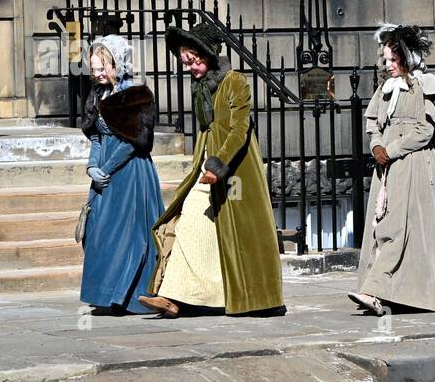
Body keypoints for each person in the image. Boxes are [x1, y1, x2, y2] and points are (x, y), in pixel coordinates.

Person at [141, 21, 284, 318]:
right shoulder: (202, 87)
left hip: (237, 171)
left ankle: (250, 296)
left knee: (238, 233)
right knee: (191, 219)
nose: (190, 67)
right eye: (186, 63)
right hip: (206, 166)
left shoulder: (235, 81)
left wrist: (219, 165)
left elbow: (239, 129)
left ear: (207, 54)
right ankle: (175, 295)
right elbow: (209, 129)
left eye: (193, 61)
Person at [348, 24, 435, 315]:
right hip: (388, 168)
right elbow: (374, 124)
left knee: (399, 226)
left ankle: (374, 290)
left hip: (415, 163)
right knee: (381, 225)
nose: (389, 66)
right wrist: (377, 147)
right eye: (386, 60)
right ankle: (387, 290)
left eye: (394, 60)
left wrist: (391, 150)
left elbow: (424, 130)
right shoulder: (386, 89)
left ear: (409, 58)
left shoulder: (428, 85)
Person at [79, 35, 163, 314]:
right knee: (100, 232)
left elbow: (132, 141)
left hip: (129, 173)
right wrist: (92, 167)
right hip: (103, 174)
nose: (98, 74)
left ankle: (129, 297)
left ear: (117, 63)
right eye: (93, 69)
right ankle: (105, 296)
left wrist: (106, 168)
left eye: (103, 68)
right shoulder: (97, 95)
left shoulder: (135, 95)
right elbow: (95, 137)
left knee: (129, 235)